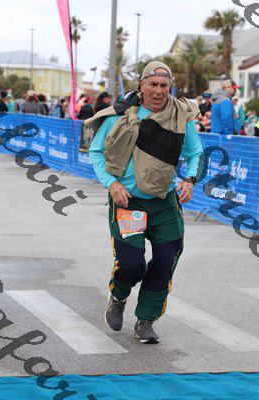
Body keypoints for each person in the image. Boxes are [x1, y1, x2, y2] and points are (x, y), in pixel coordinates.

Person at [86, 60, 203, 344]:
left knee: (164, 261)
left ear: (170, 87)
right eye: (153, 84)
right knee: (132, 264)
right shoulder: (120, 116)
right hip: (129, 203)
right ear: (142, 85)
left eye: (164, 85)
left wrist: (189, 179)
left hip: (164, 203)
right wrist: (112, 184)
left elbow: (195, 152)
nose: (159, 90)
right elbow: (96, 152)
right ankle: (118, 297)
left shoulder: (181, 117)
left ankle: (145, 321)